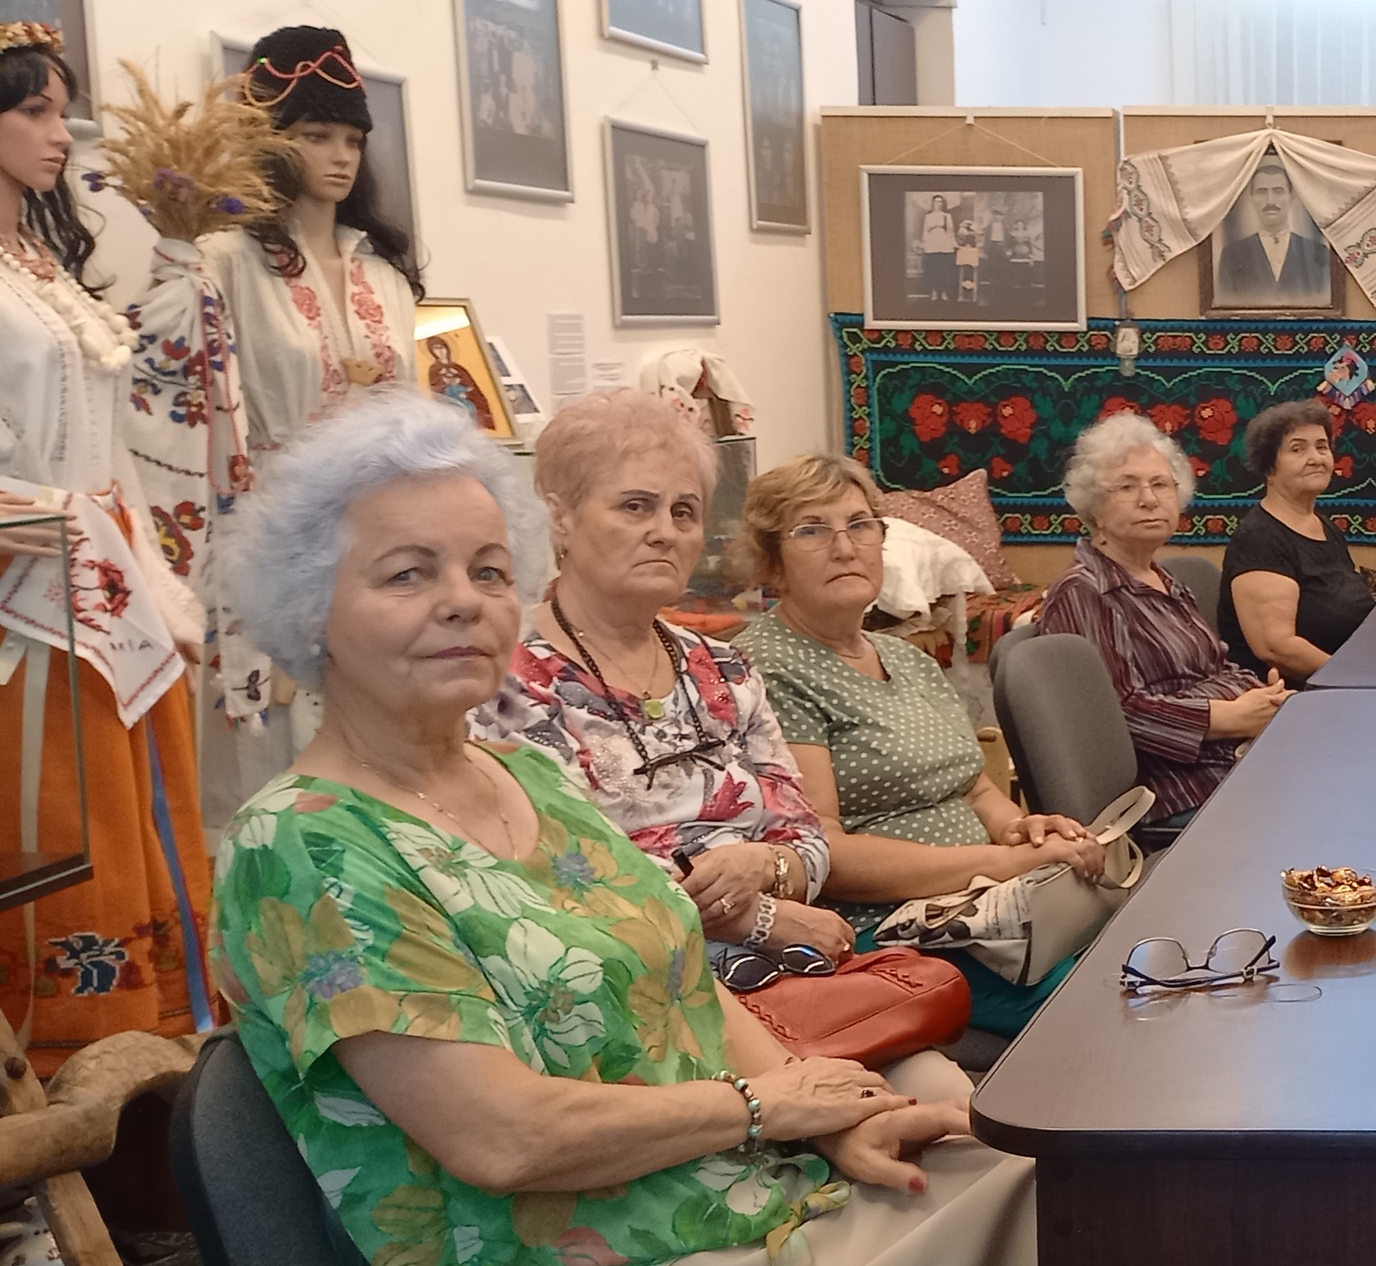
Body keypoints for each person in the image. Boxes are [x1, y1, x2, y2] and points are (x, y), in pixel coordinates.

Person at [210, 393, 1032, 1266]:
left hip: (742, 1185)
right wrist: (770, 1106)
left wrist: (824, 1119)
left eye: (489, 571)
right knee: (1042, 1199)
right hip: (605, 1242)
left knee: (1023, 1171)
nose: (462, 602)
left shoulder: (526, 777)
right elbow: (504, 1136)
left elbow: (687, 973)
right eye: (408, 574)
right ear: (309, 607)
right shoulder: (304, 842)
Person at [468, 390, 850, 994]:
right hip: (616, 986)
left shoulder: (727, 669)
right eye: (636, 506)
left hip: (786, 966)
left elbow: (808, 840)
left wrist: (763, 865)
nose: (665, 532)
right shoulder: (503, 682)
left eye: (684, 512)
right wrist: (754, 918)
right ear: (561, 518)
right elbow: (553, 877)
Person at [0, 21, 215, 1075]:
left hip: (103, 565)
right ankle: (55, 1047)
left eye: (62, 111)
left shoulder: (42, 266)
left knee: (138, 805)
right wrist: (62, 524)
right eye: (33, 109)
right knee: (56, 808)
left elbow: (114, 444)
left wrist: (159, 583)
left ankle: (155, 1042)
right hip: (28, 580)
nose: (58, 133)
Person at [730, 452, 1104, 1033]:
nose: (844, 547)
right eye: (812, 530)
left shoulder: (905, 657)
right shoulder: (767, 669)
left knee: (1137, 957)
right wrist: (1001, 863)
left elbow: (974, 789)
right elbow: (823, 852)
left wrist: (1023, 829)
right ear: (770, 562)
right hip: (892, 933)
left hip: (987, 908)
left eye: (860, 525)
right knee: (1101, 1006)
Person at [1035, 412, 1288, 843]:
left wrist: (1267, 700)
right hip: (1178, 791)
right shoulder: (1085, 592)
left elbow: (1213, 668)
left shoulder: (1164, 579)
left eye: (1160, 484)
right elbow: (1118, 714)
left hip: (1234, 758)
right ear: (1095, 505)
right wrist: (1227, 717)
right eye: (1127, 487)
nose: (1149, 499)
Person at [207, 25, 427, 463]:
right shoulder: (225, 261)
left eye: (353, 141)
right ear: (271, 141)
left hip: (381, 493)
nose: (342, 156)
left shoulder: (384, 275)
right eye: (317, 136)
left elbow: (412, 408)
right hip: (273, 494)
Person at [1221, 399, 1376, 680]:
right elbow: (1278, 649)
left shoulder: (1325, 526)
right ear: (1269, 468)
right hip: (1295, 693)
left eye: (1322, 447)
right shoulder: (1260, 539)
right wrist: (1359, 677)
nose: (1316, 458)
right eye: (1297, 449)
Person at [1216, 157, 1329, 303]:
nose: (1270, 201)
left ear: (1291, 197)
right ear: (1252, 198)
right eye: (1262, 192)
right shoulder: (1231, 256)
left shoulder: (1318, 253)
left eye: (1278, 191)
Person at [916, 194, 955, 301]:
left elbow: (950, 232)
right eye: (936, 201)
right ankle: (934, 292)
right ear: (933, 203)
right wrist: (923, 244)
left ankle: (944, 292)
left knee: (944, 269)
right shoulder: (928, 216)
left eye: (940, 202)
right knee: (933, 269)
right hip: (932, 244)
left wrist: (953, 244)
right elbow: (925, 232)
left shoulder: (947, 216)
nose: (938, 204)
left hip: (944, 243)